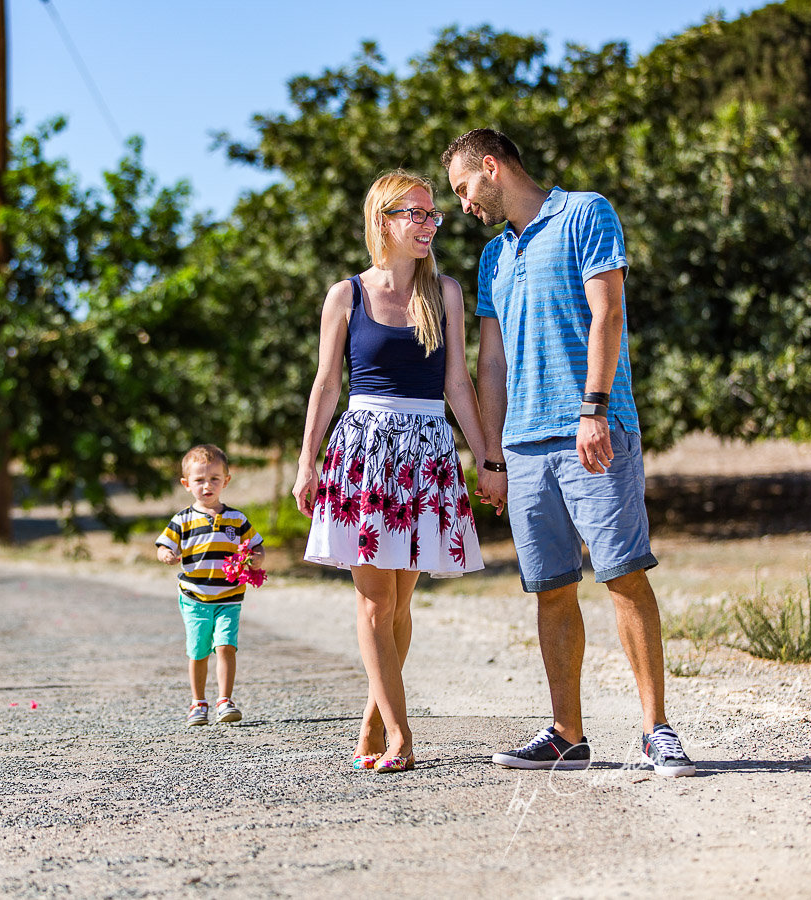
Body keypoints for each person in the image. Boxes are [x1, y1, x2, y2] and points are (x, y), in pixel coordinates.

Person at [442, 128, 695, 777]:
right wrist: (492, 459)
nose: (464, 205)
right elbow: (490, 363)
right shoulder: (493, 258)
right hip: (525, 450)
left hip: (593, 431)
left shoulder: (586, 213)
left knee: (623, 574)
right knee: (551, 589)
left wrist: (593, 409)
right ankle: (567, 734)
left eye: (465, 189)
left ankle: (656, 730)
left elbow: (608, 314)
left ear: (491, 168)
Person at [292, 170, 493, 774]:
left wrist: (487, 459)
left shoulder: (448, 293)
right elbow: (327, 385)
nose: (430, 224)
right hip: (365, 454)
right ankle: (402, 734)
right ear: (384, 220)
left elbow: (458, 383)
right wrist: (308, 460)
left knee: (402, 606)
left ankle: (373, 721)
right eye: (417, 213)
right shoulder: (345, 295)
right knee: (376, 605)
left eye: (434, 215)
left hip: (428, 453)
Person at [156, 444, 265, 727]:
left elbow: (257, 547)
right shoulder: (182, 520)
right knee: (199, 650)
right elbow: (163, 545)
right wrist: (166, 554)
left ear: (226, 481)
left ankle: (225, 700)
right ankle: (198, 702)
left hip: (229, 597)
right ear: (186, 484)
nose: (208, 485)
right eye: (200, 480)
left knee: (226, 646)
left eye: (215, 478)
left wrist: (255, 560)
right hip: (194, 597)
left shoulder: (237, 519)